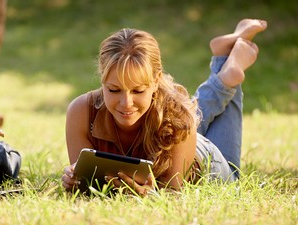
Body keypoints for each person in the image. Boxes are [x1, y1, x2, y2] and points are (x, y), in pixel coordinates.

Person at [61, 19, 267, 195]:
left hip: (198, 155)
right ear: (102, 80)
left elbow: (173, 194)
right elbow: (84, 185)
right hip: (171, 127)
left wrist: (150, 196)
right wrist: (72, 180)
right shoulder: (82, 111)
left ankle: (229, 74)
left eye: (138, 91)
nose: (126, 103)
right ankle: (224, 66)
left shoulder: (177, 116)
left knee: (233, 174)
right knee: (179, 113)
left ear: (156, 80)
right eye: (114, 90)